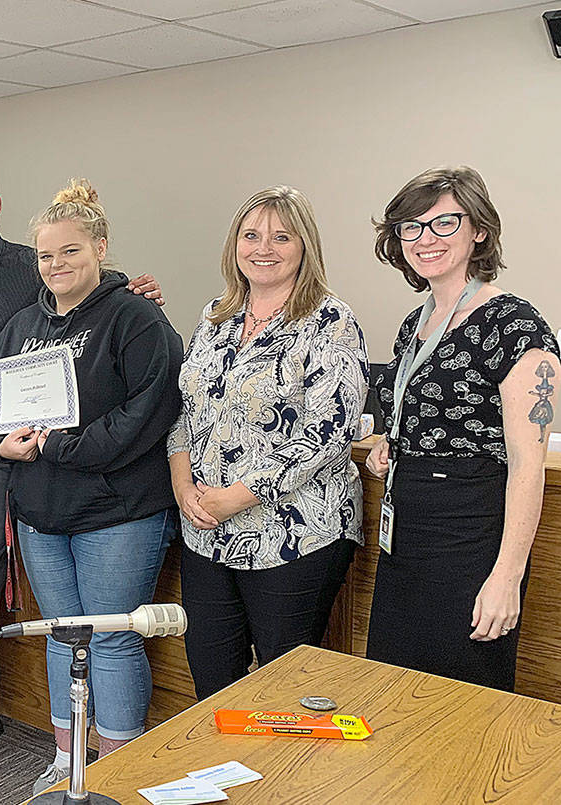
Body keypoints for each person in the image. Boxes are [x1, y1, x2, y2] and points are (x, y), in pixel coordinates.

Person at [0, 163, 164, 776]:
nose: (55, 264)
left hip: (82, 493)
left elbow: (134, 395)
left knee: (93, 629)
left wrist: (130, 288)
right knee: (31, 620)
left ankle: (110, 763)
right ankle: (47, 750)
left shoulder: (93, 298)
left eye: (69, 251)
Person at [0, 179, 183, 795]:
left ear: (101, 247)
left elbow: (145, 417)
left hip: (117, 514)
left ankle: (118, 773)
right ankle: (68, 763)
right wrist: (0, 442)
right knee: (62, 636)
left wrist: (57, 447)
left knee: (111, 639)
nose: (57, 265)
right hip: (42, 513)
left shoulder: (136, 318)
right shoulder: (19, 326)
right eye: (46, 255)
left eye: (71, 251)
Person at [364, 166, 560, 691]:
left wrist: (506, 578)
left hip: (470, 540)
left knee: (460, 701)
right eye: (412, 226)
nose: (426, 239)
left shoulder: (515, 325)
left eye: (444, 223)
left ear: (478, 230)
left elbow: (527, 467)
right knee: (393, 689)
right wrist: (391, 444)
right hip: (405, 539)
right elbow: (436, 415)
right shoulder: (418, 321)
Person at [168, 185, 367, 701]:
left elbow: (329, 432)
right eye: (252, 235)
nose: (264, 248)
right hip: (205, 529)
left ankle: (280, 785)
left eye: (282, 237)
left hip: (294, 534)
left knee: (283, 691)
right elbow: (186, 408)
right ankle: (222, 781)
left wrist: (237, 495)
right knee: (211, 678)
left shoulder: (330, 321)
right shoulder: (215, 317)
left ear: (306, 246)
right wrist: (182, 483)